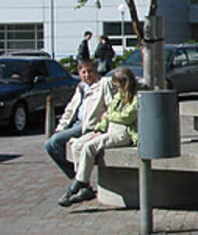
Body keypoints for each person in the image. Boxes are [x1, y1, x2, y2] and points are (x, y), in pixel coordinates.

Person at [59, 67, 139, 207]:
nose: (116, 88)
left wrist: (109, 115)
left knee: (90, 147)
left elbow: (127, 117)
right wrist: (99, 128)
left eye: (118, 85)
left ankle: (78, 184)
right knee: (77, 144)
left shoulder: (136, 97)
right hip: (108, 128)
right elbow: (108, 114)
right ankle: (85, 187)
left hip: (123, 132)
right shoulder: (119, 96)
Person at [45, 59, 115, 196]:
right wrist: (61, 127)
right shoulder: (81, 87)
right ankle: (77, 176)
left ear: (95, 71)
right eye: (83, 72)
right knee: (50, 145)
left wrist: (103, 125)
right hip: (77, 123)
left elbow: (111, 106)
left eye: (90, 71)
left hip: (89, 125)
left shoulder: (103, 84)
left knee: (58, 143)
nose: (87, 75)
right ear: (79, 73)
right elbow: (70, 109)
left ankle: (81, 181)